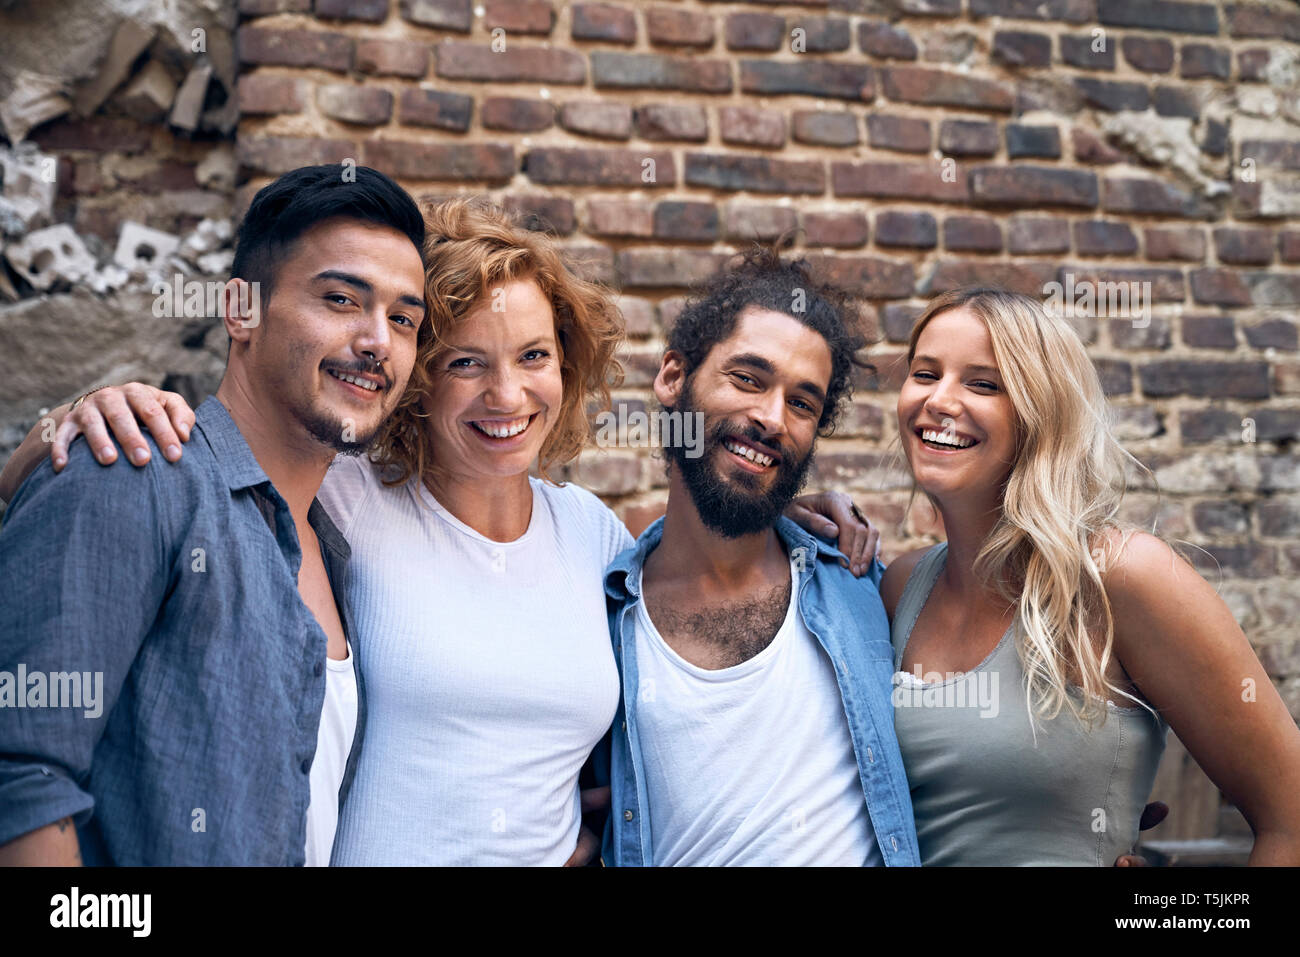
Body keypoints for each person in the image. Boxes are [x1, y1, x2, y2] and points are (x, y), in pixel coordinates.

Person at [1, 203, 873, 865]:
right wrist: (66, 426)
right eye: (466, 361)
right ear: (419, 376)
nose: (508, 395)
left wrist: (779, 502)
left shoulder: (599, 538)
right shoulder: (346, 497)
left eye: (534, 356)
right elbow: (219, 461)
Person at [0, 164, 428, 864]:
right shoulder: (135, 468)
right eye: (343, 299)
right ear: (242, 311)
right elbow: (20, 773)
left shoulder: (340, 548)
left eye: (403, 319)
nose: (378, 339)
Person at [881, 287, 1300, 865]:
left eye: (983, 383)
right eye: (925, 374)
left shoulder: (1121, 578)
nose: (938, 400)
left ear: (1040, 412)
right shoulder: (900, 587)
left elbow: (1291, 821)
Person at [596, 245, 921, 866]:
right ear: (673, 377)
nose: (772, 418)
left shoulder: (860, 586)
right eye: (748, 378)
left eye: (802, 403)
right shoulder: (601, 618)